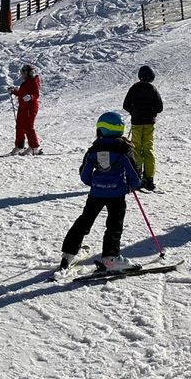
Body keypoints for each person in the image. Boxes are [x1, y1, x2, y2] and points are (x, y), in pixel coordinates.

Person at [58, 112, 142, 273]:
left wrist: (96, 183)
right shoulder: (124, 149)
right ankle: (110, 258)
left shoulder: (94, 149)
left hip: (96, 194)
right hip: (117, 195)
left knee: (84, 221)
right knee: (114, 225)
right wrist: (130, 186)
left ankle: (68, 254)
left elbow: (84, 175)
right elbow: (135, 174)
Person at [122, 64, 164, 190]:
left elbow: (126, 105)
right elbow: (159, 108)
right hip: (149, 124)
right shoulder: (153, 89)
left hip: (136, 123)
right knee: (148, 149)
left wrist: (134, 111)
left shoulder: (134, 88)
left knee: (136, 149)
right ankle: (149, 179)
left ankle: (137, 176)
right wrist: (152, 112)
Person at [8, 63, 41, 154]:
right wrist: (14, 91)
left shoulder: (34, 81)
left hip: (30, 107)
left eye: (23, 73)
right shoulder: (25, 83)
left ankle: (34, 147)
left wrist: (30, 97)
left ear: (28, 73)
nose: (22, 75)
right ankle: (19, 146)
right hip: (22, 107)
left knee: (28, 126)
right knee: (19, 126)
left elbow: (36, 94)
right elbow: (22, 94)